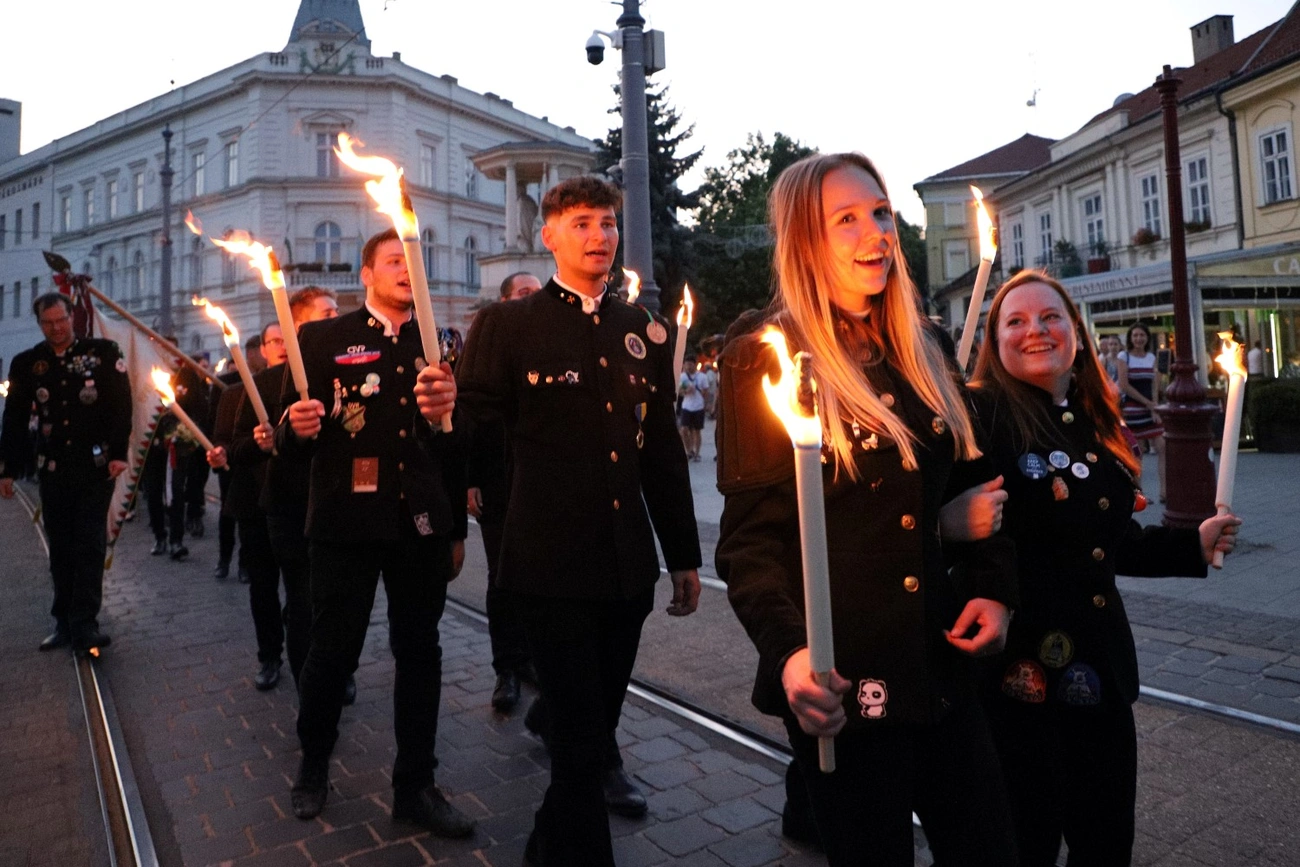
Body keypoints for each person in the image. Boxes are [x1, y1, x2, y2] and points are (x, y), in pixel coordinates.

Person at [714, 153, 1019, 867]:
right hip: (844, 681)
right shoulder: (766, 356)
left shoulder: (929, 345)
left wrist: (994, 588)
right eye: (846, 219)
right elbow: (750, 545)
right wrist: (791, 655)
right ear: (805, 242)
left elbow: (976, 482)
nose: (875, 232)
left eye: (880, 212)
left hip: (944, 667)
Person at [457, 175, 702, 867]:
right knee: (578, 750)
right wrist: (441, 413)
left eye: (608, 223)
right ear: (551, 235)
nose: (600, 236)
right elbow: (469, 425)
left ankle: (543, 850)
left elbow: (658, 450)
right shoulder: (508, 325)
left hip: (626, 571)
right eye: (584, 223)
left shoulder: (640, 330)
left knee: (589, 736)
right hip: (549, 566)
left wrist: (683, 553)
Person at [965, 270, 1241, 866]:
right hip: (1017, 684)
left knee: (1106, 841)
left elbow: (1108, 544)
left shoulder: (1091, 422)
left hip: (1101, 674)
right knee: (1023, 843)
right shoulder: (976, 420)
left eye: (1050, 317)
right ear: (995, 341)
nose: (1035, 330)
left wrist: (1191, 544)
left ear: (1079, 336)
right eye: (1015, 320)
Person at [277, 228, 473, 838]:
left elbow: (457, 449)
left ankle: (415, 784)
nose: (405, 272)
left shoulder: (440, 340)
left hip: (419, 523)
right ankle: (314, 761)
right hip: (344, 522)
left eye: (413, 263)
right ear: (366, 273)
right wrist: (296, 426)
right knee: (332, 649)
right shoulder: (320, 337)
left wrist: (456, 524)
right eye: (393, 261)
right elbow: (287, 436)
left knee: (420, 653)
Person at [0, 292, 131, 654]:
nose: (56, 329)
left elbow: (121, 405)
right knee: (60, 547)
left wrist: (118, 453)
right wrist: (7, 468)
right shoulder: (28, 363)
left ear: (72, 317)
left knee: (88, 544)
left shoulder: (103, 354)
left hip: (94, 468)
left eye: (61, 320)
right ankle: (63, 621)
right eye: (48, 323)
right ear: (39, 324)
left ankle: (85, 623)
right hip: (54, 468)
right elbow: (13, 418)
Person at [469, 271, 541, 715]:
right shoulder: (491, 346)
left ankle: (534, 659)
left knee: (541, 580)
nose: (532, 300)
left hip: (540, 486)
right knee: (503, 578)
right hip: (496, 485)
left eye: (537, 292)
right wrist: (470, 479)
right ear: (504, 301)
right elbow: (473, 421)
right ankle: (507, 669)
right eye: (524, 293)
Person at [209, 323, 294, 691]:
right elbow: (227, 445)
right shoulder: (237, 394)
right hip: (256, 503)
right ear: (262, 349)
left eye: (287, 339)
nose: (282, 347)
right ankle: (270, 656)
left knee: (308, 589)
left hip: (298, 503)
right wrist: (221, 454)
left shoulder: (307, 387)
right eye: (274, 341)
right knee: (263, 585)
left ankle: (330, 665)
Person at [1116, 322, 1166, 501]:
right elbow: (1124, 385)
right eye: (1135, 335)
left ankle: (1164, 492)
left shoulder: (1151, 357)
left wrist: (1155, 406)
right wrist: (1147, 403)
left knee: (1162, 447)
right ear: (1130, 338)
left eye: (1142, 335)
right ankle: (1139, 494)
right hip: (1132, 410)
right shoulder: (1124, 356)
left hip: (1150, 409)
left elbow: (1154, 383)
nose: (1138, 339)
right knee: (1137, 452)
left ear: (1147, 338)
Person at [676, 363, 708, 460]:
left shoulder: (702, 376)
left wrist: (706, 403)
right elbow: (679, 392)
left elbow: (706, 391)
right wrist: (686, 391)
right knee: (684, 429)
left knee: (696, 431)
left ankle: (697, 453)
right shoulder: (683, 376)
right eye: (686, 365)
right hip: (686, 407)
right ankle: (689, 450)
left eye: (690, 365)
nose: (688, 367)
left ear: (694, 365)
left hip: (699, 407)